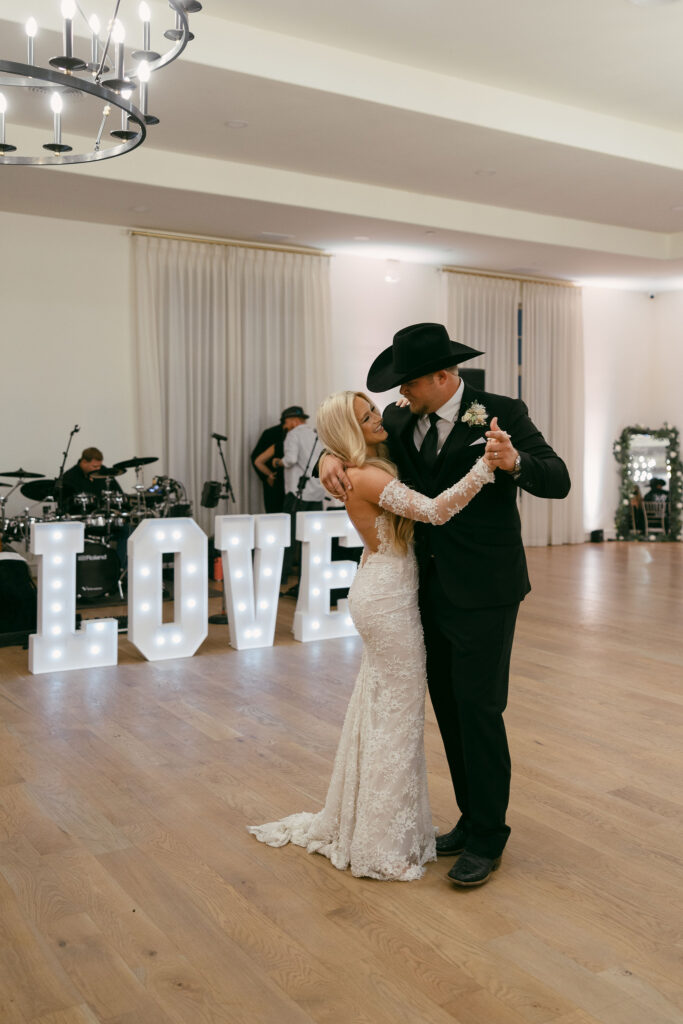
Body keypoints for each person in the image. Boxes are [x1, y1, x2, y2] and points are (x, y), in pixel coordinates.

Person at [320, 323, 571, 886]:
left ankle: (488, 837)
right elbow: (355, 452)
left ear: (442, 376)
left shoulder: (503, 411)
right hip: (421, 593)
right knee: (450, 711)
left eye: (407, 383)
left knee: (480, 709)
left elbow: (558, 480)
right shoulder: (404, 422)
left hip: (485, 591)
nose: (399, 395)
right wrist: (325, 462)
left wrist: (514, 464)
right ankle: (469, 817)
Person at [248, 390, 497, 880]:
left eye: (374, 410)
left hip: (384, 587)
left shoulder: (361, 467)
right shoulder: (366, 476)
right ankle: (381, 841)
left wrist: (329, 456)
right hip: (387, 598)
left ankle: (373, 825)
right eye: (367, 417)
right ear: (350, 432)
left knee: (382, 712)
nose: (380, 419)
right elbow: (436, 511)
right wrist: (484, 470)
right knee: (397, 719)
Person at [272, 406, 326, 592]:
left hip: (298, 493)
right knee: (311, 538)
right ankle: (307, 578)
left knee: (289, 535)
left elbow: (290, 459)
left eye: (286, 423)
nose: (285, 427)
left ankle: (283, 576)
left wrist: (278, 462)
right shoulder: (315, 434)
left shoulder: (293, 435)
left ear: (293, 421)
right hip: (317, 492)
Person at [59, 446, 123, 513]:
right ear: (84, 462)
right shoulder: (70, 477)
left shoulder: (103, 471)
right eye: (95, 466)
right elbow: (67, 504)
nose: (98, 469)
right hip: (82, 515)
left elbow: (119, 493)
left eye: (100, 466)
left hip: (105, 514)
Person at [250, 417, 286, 514]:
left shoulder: (298, 435)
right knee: (275, 515)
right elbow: (256, 458)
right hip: (275, 481)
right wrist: (267, 476)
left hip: (291, 483)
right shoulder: (270, 433)